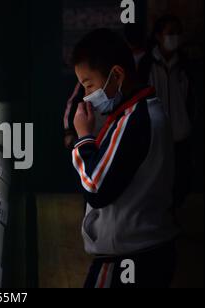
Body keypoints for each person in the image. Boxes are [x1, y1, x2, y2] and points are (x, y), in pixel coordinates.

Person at [71, 29, 178, 288]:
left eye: (89, 85)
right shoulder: (142, 112)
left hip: (127, 256)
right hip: (147, 248)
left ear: (117, 75)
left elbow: (96, 188)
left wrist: (83, 135)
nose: (87, 96)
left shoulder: (135, 119)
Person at [139, 15, 195, 209]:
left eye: (178, 32)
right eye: (170, 33)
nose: (175, 37)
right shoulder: (145, 66)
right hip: (155, 137)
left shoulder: (186, 66)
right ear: (158, 36)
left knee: (180, 184)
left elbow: (191, 100)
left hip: (181, 136)